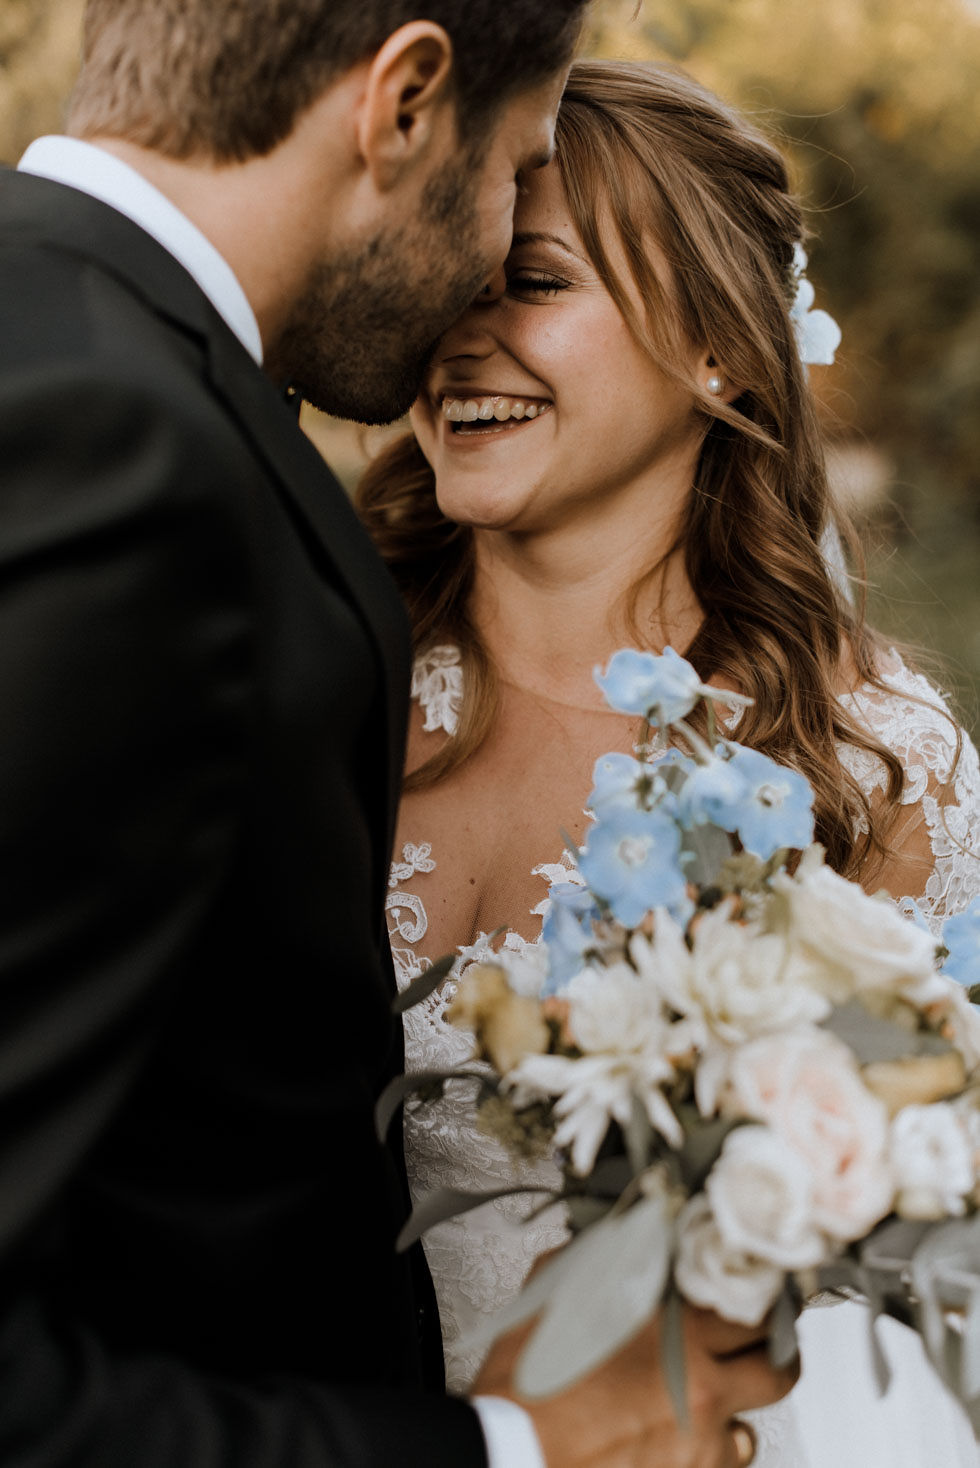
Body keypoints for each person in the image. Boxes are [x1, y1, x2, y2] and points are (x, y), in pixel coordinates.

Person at [0, 6, 796, 1467]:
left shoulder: (80, 361)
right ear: (405, 101)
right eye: (515, 171)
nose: (483, 266)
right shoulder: (125, 447)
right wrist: (510, 1450)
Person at [356, 57, 980, 1467]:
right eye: (440, 280)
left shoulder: (866, 770)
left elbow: (925, 1251)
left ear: (723, 350)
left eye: (532, 280)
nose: (462, 335)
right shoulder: (320, 685)